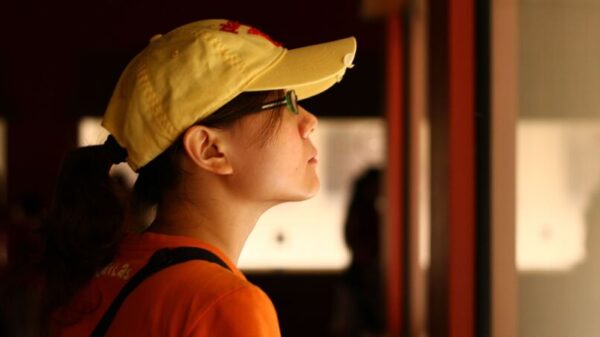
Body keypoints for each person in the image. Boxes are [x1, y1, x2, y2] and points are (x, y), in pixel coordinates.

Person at [4, 19, 356, 337]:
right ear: (209, 149)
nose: (310, 121)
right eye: (287, 102)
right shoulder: (222, 303)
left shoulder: (100, 276)